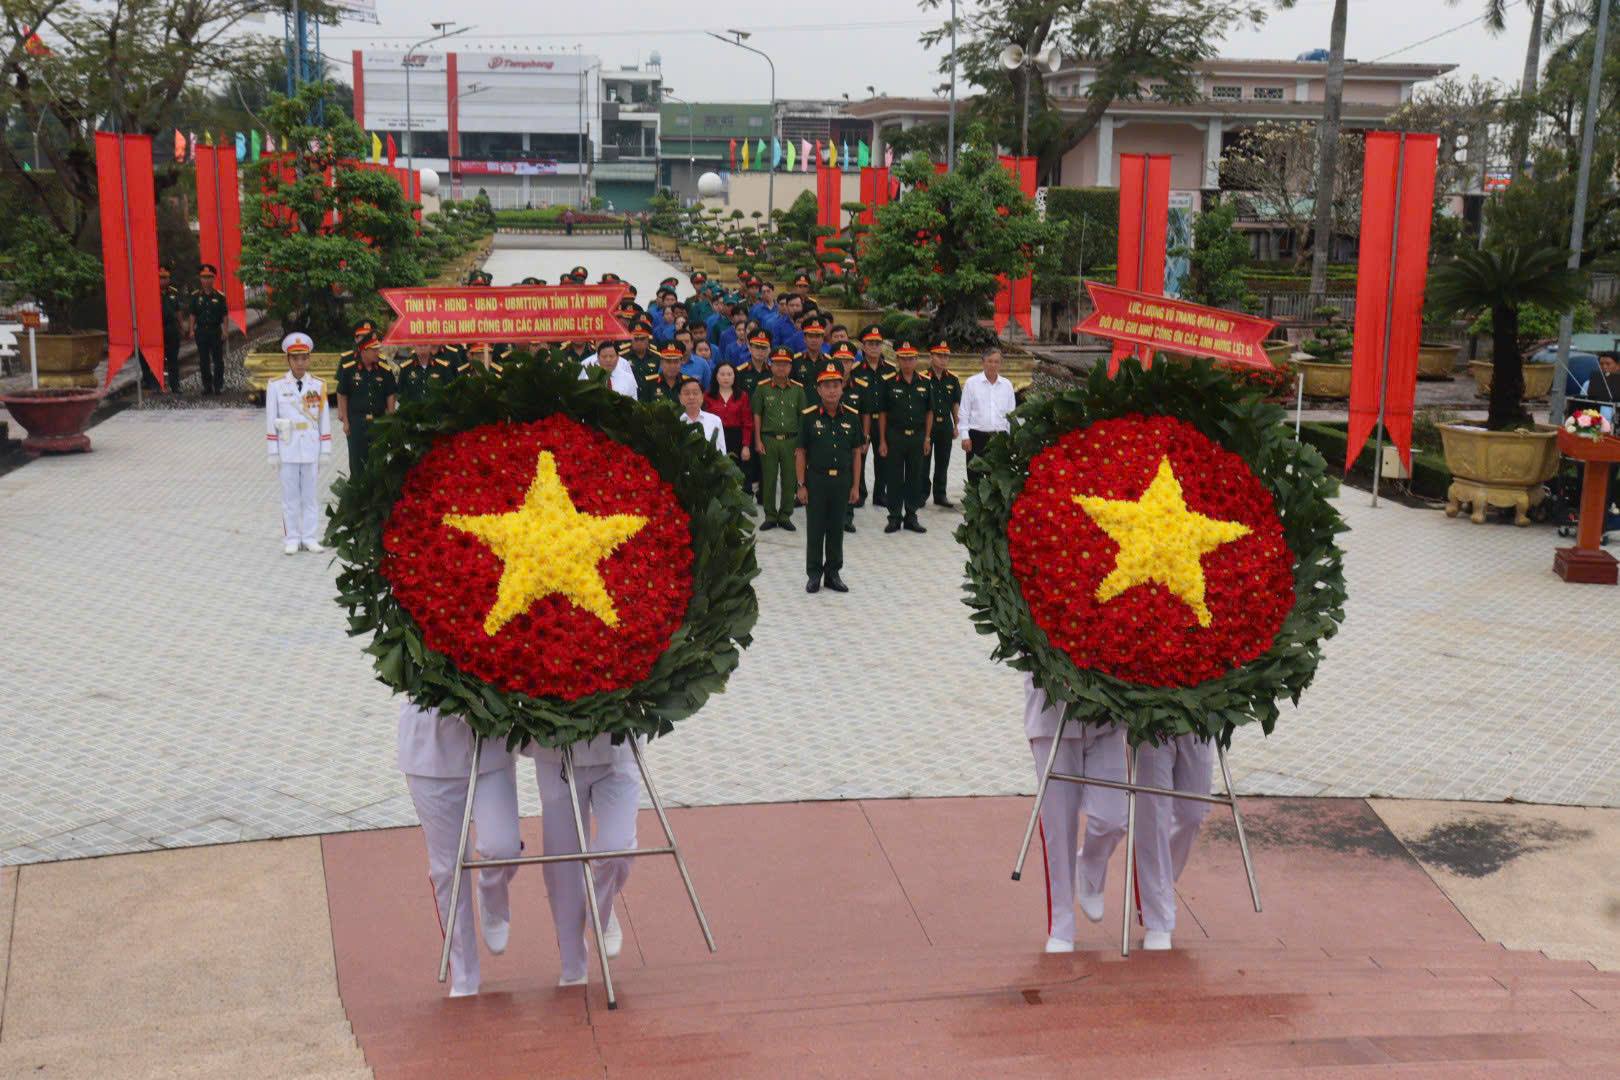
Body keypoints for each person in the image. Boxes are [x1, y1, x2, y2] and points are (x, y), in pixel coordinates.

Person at [399, 703, 521, 997]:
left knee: (502, 847)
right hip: (432, 754)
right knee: (448, 869)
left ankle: (492, 895)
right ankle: (465, 978)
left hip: (490, 747)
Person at [1023, 676, 1127, 953]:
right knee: (1058, 826)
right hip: (1051, 716)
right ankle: (1062, 926)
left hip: (1106, 716)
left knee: (1113, 819)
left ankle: (1091, 865)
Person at [530, 736, 639, 988]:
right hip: (555, 748)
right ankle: (572, 968)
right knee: (563, 865)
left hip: (616, 746)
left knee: (617, 849)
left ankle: (601, 908)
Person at [1131, 735, 1215, 951]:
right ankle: (1157, 920)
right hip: (1151, 726)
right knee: (1153, 814)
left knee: (1193, 813)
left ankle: (1159, 881)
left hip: (1198, 724)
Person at [795, 359, 864, 594]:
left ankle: (833, 574)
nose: (832, 390)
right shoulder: (809, 417)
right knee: (815, 529)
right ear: (818, 389)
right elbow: (801, 452)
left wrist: (855, 486)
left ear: (842, 387)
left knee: (836, 529)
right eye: (827, 386)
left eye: (836, 385)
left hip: (841, 481)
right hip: (816, 480)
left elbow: (856, 454)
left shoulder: (852, 417)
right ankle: (814, 574)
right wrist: (801, 485)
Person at [265, 332, 333, 554]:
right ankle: (292, 538)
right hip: (288, 447)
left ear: (309, 359)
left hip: (311, 448)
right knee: (290, 497)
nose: (300, 363)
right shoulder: (276, 386)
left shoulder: (318, 385)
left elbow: (324, 419)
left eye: (304, 358)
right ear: (288, 359)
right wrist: (273, 451)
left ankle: (310, 537)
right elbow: (271, 420)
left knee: (310, 497)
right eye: (295, 358)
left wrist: (325, 449)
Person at [877, 342, 933, 535]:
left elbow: (929, 412)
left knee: (914, 477)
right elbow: (883, 413)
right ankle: (894, 517)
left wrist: (927, 438)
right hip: (895, 437)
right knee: (894, 477)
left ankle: (911, 516)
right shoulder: (889, 382)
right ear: (898, 360)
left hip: (917, 437)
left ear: (916, 360)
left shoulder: (925, 382)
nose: (907, 362)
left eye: (911, 358)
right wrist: (882, 440)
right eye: (903, 358)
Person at [753, 346, 804, 532]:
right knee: (769, 478)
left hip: (791, 441)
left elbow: (803, 417)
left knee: (790, 479)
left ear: (790, 367)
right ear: (771, 365)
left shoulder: (798, 390)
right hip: (769, 439)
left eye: (785, 364)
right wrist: (758, 440)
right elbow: (757, 414)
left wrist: (801, 444)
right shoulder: (762, 388)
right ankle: (770, 515)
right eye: (777, 364)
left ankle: (785, 515)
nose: (781, 367)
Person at [336, 330, 397, 475]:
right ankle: (357, 487)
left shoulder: (384, 370)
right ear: (364, 350)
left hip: (378, 420)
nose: (377, 352)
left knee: (379, 461)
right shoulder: (349, 369)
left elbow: (390, 393)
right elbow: (343, 394)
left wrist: (390, 417)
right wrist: (346, 421)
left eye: (378, 349)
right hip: (357, 421)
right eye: (374, 350)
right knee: (357, 461)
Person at [829, 342, 872, 534]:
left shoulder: (860, 386)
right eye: (840, 360)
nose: (844, 364)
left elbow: (866, 414)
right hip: (829, 438)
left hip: (852, 441)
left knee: (851, 477)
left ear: (853, 362)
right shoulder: (825, 385)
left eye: (847, 361)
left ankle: (847, 516)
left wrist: (866, 438)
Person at [853, 325, 896, 508]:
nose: (874, 347)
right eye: (870, 343)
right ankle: (860, 492)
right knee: (860, 457)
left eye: (877, 343)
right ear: (863, 346)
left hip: (883, 421)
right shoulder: (856, 370)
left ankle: (880, 494)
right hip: (861, 420)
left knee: (883, 458)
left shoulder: (891, 370)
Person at [959, 348, 1018, 466]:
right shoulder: (971, 383)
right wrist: (965, 436)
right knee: (975, 474)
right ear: (983, 362)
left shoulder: (1007, 385)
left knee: (997, 473)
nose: (993, 365)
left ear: (1001, 364)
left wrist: (1010, 438)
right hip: (976, 437)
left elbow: (1011, 413)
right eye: (990, 361)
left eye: (996, 362)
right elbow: (964, 412)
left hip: (1000, 437)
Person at [704, 360, 754, 487]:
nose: (726, 378)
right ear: (716, 376)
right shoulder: (707, 396)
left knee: (738, 475)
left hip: (736, 438)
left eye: (729, 374)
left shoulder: (742, 396)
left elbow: (747, 423)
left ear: (734, 376)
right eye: (722, 374)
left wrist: (746, 446)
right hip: (715, 438)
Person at [926, 341, 963, 508]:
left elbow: (955, 403)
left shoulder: (952, 379)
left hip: (945, 425)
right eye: (939, 356)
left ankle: (940, 494)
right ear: (931, 357)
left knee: (943, 461)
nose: (943, 359)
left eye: (946, 356)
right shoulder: (923, 377)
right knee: (924, 462)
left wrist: (956, 425)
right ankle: (922, 493)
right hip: (928, 425)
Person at [189, 263, 230, 394]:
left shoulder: (220, 296)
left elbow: (224, 315)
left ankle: (218, 385)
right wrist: (191, 330)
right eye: (204, 277)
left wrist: (225, 330)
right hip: (201, 331)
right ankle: (207, 386)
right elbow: (192, 314)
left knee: (218, 360)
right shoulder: (195, 296)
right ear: (200, 279)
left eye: (209, 277)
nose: (206, 280)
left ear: (213, 278)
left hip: (215, 331)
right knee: (203, 360)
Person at [158, 262, 186, 392]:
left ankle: (175, 385)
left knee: (173, 359)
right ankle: (159, 385)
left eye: (165, 277)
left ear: (169, 278)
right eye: (160, 277)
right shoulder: (151, 293)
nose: (163, 280)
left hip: (172, 329)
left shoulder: (173, 293)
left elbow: (178, 311)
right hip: (158, 329)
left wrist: (182, 327)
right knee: (158, 359)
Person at [678, 375, 725, 450]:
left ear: (702, 396)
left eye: (695, 393)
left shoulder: (715, 420)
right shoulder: (674, 421)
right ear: (680, 398)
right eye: (687, 393)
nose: (691, 397)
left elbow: (721, 451)